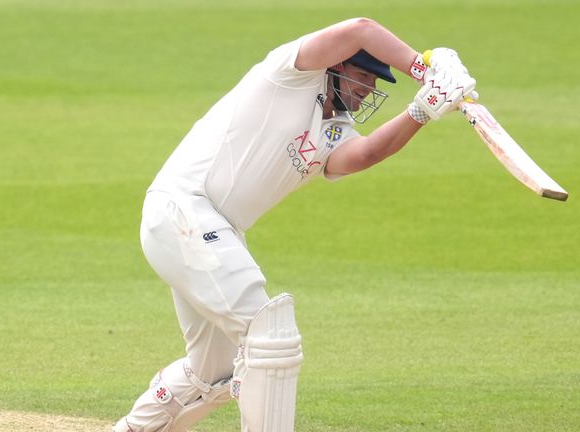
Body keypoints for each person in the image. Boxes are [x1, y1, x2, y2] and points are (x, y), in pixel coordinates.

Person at [112, 17, 476, 432]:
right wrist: (424, 69)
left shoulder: (334, 130)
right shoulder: (287, 74)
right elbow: (359, 28)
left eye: (376, 84)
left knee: (213, 375)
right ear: (336, 65)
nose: (369, 90)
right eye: (363, 76)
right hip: (184, 210)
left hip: (210, 229)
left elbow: (363, 155)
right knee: (270, 336)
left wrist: (422, 110)